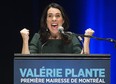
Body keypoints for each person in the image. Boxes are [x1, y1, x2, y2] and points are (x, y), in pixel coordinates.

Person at [20, 3, 94, 54]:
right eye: (50, 16)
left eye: (58, 16)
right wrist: (25, 40)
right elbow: (26, 63)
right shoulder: (38, 38)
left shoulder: (71, 38)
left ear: (63, 20)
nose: (54, 19)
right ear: (46, 21)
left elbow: (83, 63)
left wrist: (87, 40)